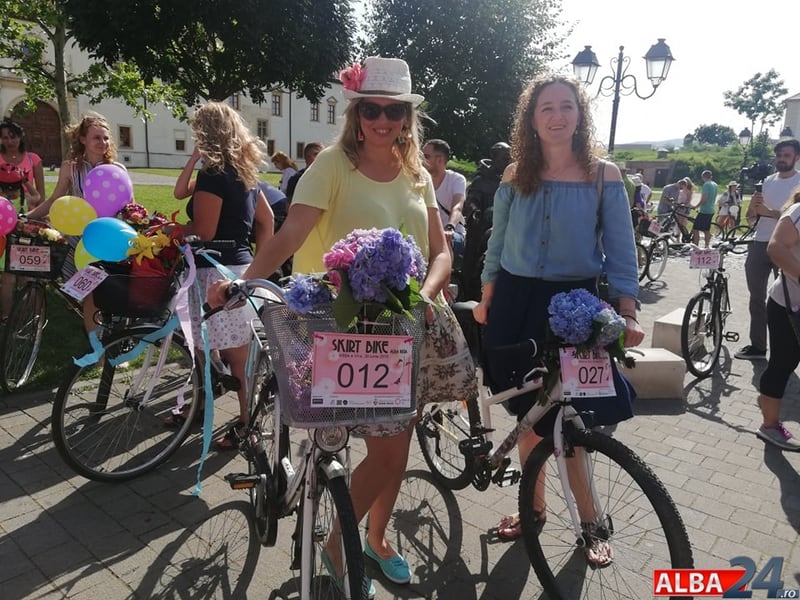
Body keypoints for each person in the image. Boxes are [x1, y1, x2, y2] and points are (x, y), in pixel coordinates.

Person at [208, 56, 451, 596]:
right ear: (357, 113)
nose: (383, 120)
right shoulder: (333, 166)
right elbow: (292, 233)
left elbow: (440, 251)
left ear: (407, 118)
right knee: (351, 447)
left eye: (394, 111)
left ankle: (374, 540)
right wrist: (241, 281)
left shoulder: (418, 176)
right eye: (373, 109)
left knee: (395, 453)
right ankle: (339, 535)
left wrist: (426, 295)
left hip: (399, 326)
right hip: (331, 323)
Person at [472, 74, 644, 563]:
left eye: (566, 106)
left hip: (577, 305)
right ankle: (535, 509)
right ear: (532, 117)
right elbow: (497, 245)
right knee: (529, 415)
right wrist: (486, 297)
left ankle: (590, 522)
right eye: (546, 107)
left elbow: (621, 250)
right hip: (517, 301)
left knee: (572, 417)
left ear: (579, 115)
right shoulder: (513, 175)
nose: (556, 115)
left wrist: (627, 309)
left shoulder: (604, 174)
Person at [168, 102, 274, 448]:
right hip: (238, 269)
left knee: (224, 355)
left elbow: (205, 230)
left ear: (205, 133)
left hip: (213, 273)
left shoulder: (215, 175)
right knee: (227, 354)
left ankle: (245, 426)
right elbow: (267, 221)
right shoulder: (244, 172)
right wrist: (261, 261)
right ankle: (233, 417)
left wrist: (176, 229)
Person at [26, 113, 124, 332]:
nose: (103, 143)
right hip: (78, 242)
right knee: (89, 295)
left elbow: (129, 206)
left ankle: (108, 341)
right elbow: (54, 200)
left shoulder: (117, 170)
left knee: (104, 294)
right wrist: (28, 217)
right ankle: (98, 341)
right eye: (97, 138)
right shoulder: (71, 167)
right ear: (83, 140)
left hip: (108, 239)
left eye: (106, 138)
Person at [736, 138, 800, 361]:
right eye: (779, 155)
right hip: (760, 242)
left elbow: (792, 217)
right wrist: (753, 210)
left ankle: (787, 350)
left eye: (787, 155)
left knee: (790, 300)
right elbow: (751, 217)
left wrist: (769, 211)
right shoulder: (767, 182)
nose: (781, 159)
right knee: (756, 298)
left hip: (788, 247)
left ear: (796, 158)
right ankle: (758, 346)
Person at [754, 187, 800, 450]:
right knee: (783, 363)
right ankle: (769, 426)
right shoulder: (798, 212)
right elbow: (776, 247)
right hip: (789, 305)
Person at [460, 142, 511, 302]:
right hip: (479, 229)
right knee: (471, 266)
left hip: (500, 232)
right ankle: (467, 295)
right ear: (494, 157)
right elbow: (471, 200)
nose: (508, 161)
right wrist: (474, 211)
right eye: (504, 158)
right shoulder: (481, 180)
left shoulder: (510, 179)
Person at [423, 138, 467, 261]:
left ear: (440, 160)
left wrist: (450, 227)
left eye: (426, 156)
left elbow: (457, 206)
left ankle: (443, 278)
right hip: (426, 233)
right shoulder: (419, 179)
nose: (420, 160)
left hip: (452, 233)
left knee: (445, 242)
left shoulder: (457, 179)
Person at [0, 118, 45, 210]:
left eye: (13, 137)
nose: (10, 142)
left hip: (27, 213)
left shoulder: (33, 159)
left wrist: (38, 216)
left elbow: (41, 194)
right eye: (5, 138)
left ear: (20, 136)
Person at [691, 170, 718, 248]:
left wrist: (696, 206)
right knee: (706, 229)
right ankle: (706, 245)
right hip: (711, 209)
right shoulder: (715, 184)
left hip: (705, 210)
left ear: (703, 177)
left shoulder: (706, 185)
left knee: (695, 229)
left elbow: (704, 198)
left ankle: (696, 246)